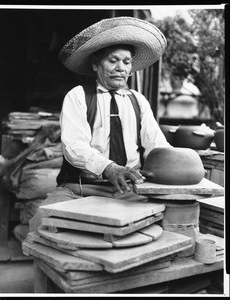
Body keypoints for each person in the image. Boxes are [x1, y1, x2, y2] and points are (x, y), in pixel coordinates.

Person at [29, 16, 171, 231]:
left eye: (126, 62)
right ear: (96, 64)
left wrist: (171, 162)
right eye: (112, 60)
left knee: (160, 227)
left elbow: (157, 146)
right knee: (42, 225)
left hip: (129, 190)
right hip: (80, 188)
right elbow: (74, 146)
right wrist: (108, 168)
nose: (120, 68)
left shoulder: (138, 101)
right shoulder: (78, 96)